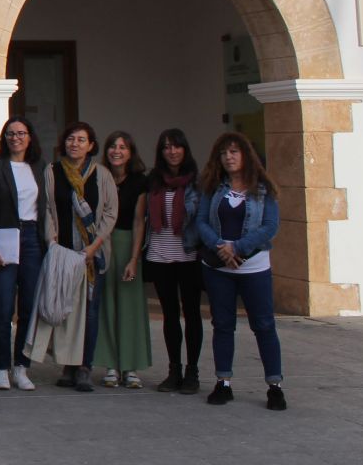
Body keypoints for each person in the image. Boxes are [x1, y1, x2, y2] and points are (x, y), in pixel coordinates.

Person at [191, 132, 285, 411]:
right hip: (218, 267)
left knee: (264, 325)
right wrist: (221, 246)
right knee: (222, 325)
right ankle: (223, 382)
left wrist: (239, 248)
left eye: (234, 152)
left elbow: (270, 226)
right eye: (223, 153)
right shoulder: (213, 187)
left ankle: (275, 385)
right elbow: (201, 221)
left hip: (254, 267)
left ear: (245, 155)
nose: (229, 157)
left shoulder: (263, 188)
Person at [25, 122, 118, 391]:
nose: (74, 144)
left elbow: (111, 212)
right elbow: (48, 210)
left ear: (91, 145)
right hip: (62, 253)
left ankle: (85, 367)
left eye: (81, 140)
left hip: (92, 254)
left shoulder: (101, 175)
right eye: (70, 139)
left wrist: (93, 247)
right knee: (65, 310)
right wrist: (52, 243)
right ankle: (67, 366)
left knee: (89, 312)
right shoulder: (53, 172)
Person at [0, 117, 45, 391]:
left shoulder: (40, 168)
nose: (15, 137)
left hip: (33, 238)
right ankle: (0, 367)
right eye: (10, 133)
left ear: (30, 137)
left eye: (21, 133)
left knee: (29, 306)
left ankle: (22, 366)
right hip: (5, 237)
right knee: (2, 305)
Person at [142, 128, 203, 395]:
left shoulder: (197, 183)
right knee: (169, 315)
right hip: (160, 254)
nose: (172, 151)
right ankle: (174, 369)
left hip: (188, 255)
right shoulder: (153, 181)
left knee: (191, 313)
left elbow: (202, 219)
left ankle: (192, 372)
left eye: (176, 146)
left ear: (185, 149)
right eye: (166, 147)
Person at [97, 131, 153, 388]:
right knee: (106, 304)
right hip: (103, 243)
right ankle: (110, 365)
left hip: (127, 243)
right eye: (112, 146)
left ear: (130, 152)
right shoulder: (99, 177)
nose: (116, 151)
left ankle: (130, 366)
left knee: (130, 307)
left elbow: (138, 221)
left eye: (122, 147)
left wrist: (134, 258)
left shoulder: (139, 182)